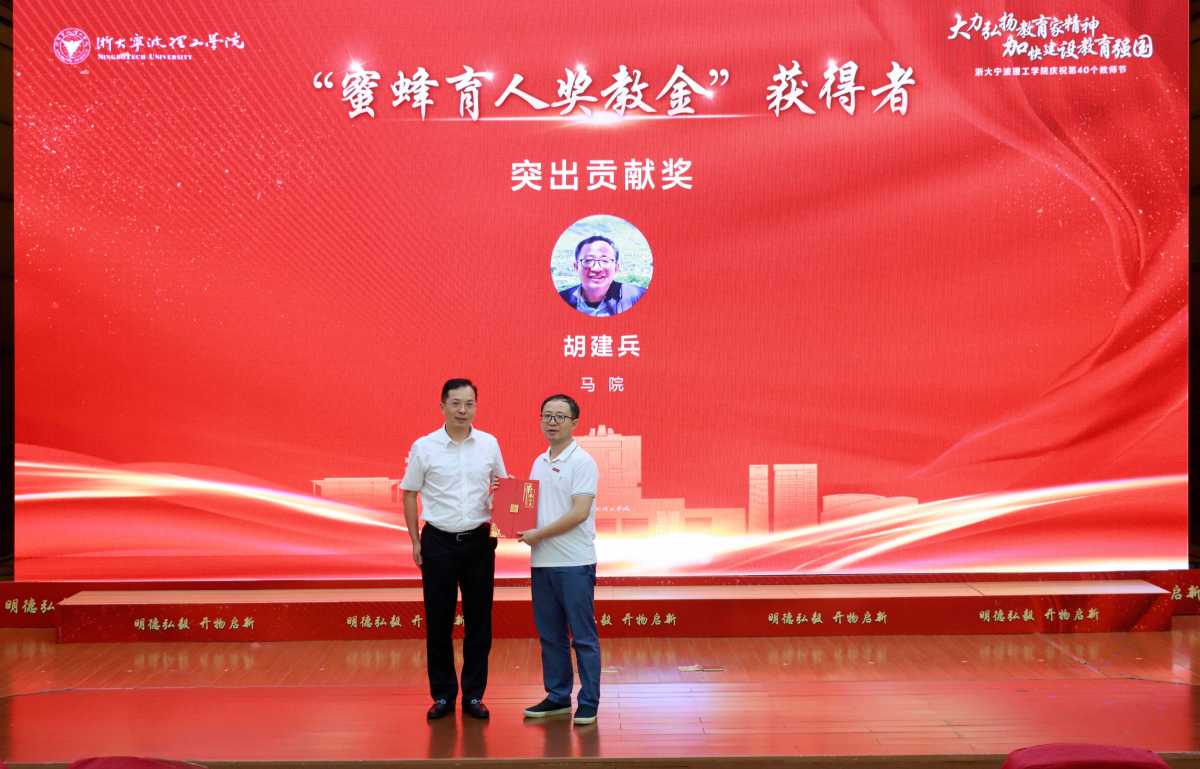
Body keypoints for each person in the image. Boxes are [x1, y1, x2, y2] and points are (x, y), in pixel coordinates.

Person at [400, 378, 508, 721]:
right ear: (442, 406)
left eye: (469, 404)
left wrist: (500, 526)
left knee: (480, 622)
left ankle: (474, 695)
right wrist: (415, 541)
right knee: (438, 622)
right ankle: (443, 695)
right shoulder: (424, 446)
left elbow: (504, 488)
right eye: (456, 403)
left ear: (476, 406)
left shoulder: (489, 444)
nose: (463, 410)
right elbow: (409, 493)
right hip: (438, 541)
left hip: (478, 541)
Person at [518, 394, 601, 725]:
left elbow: (579, 513)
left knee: (582, 636)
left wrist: (539, 534)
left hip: (574, 563)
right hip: (542, 562)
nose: (552, 422)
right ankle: (557, 696)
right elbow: (530, 505)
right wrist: (508, 504)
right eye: (547, 416)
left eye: (560, 417)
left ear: (574, 423)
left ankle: (589, 700)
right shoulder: (539, 461)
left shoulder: (582, 462)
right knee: (550, 635)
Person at [558, 235, 646, 317]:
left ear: (616, 267)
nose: (596, 268)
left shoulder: (638, 297)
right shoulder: (562, 299)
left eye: (605, 261)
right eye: (588, 260)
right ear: (576, 266)